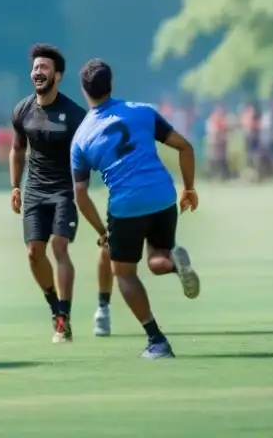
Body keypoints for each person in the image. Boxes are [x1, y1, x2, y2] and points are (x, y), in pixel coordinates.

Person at [70, 59, 200, 360]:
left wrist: (102, 232)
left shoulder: (81, 138)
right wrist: (189, 189)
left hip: (126, 204)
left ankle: (157, 341)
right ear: (111, 83)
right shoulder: (142, 111)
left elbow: (81, 194)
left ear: (83, 90)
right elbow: (185, 147)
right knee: (157, 257)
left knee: (124, 272)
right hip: (162, 195)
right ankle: (174, 264)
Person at [10, 43, 105, 343]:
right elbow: (17, 149)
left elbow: (88, 151)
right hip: (35, 190)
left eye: (45, 68)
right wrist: (15, 185)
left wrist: (83, 184)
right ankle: (54, 307)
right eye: (36, 67)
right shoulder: (22, 110)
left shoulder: (75, 115)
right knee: (33, 253)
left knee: (60, 247)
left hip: (64, 190)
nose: (38, 72)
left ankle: (64, 317)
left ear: (58, 75)